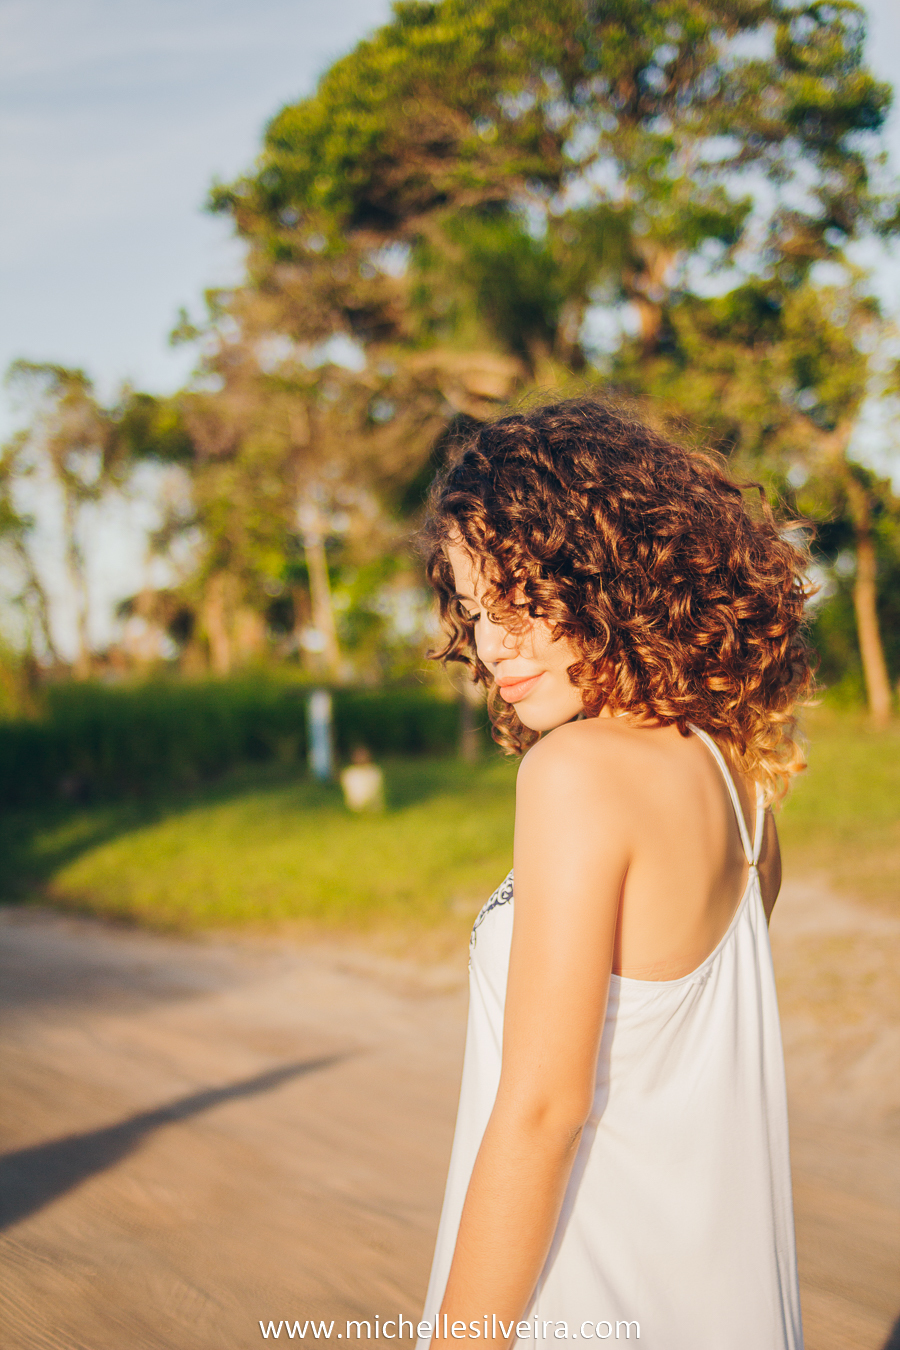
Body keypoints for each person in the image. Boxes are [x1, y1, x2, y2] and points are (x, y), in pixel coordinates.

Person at [415, 400, 812, 1350]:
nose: (493, 642)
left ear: (609, 574)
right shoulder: (734, 772)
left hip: (589, 1295)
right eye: (474, 613)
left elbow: (545, 1111)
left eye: (517, 598)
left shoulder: (577, 773)